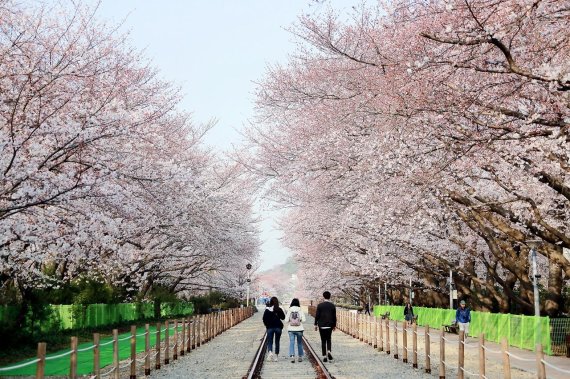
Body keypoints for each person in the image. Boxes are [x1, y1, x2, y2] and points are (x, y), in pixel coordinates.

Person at [314, 291, 337, 362]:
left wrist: (315, 324)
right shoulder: (332, 306)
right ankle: (329, 351)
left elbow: (317, 315)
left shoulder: (320, 305)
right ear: (330, 297)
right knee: (329, 339)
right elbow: (334, 317)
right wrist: (334, 325)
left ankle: (324, 356)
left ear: (323, 296)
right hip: (329, 325)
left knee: (323, 340)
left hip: (321, 325)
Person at [263, 296, 285, 361]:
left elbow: (264, 319)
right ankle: (276, 357)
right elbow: (283, 317)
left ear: (270, 302)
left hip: (270, 327)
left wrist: (267, 325)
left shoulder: (267, 310)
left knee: (270, 341)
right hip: (278, 327)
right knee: (277, 341)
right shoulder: (279, 309)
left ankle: (270, 352)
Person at [284, 298, 306, 363]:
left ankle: (292, 356)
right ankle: (300, 357)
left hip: (291, 329)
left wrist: (291, 321)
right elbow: (304, 320)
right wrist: (299, 320)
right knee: (299, 343)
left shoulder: (289, 310)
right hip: (299, 329)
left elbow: (286, 320)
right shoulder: (300, 310)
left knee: (292, 342)